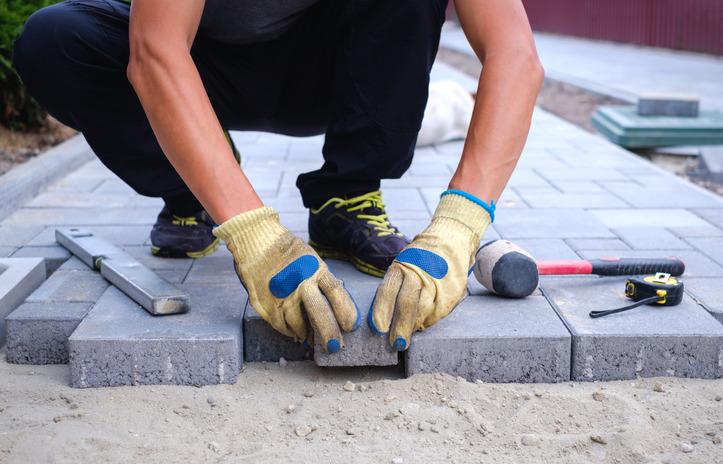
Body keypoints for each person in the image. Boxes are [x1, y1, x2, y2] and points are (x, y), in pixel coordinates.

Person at [13, 0, 543, 354]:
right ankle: (192, 191)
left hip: (327, 67)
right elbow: (155, 51)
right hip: (195, 66)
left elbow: (515, 54)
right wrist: (252, 232)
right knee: (55, 39)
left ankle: (347, 198)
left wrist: (460, 225)